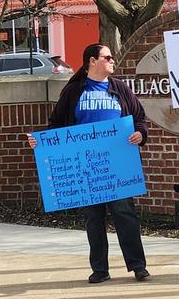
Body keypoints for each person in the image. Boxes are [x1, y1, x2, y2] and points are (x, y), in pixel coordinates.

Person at [31, 43, 151, 284]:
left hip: (118, 164)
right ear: (92, 61)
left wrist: (140, 134)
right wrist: (41, 142)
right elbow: (56, 124)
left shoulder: (120, 88)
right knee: (93, 219)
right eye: (108, 57)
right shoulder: (74, 90)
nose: (112, 60)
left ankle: (138, 265)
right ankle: (100, 269)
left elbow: (139, 117)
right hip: (86, 167)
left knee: (125, 214)